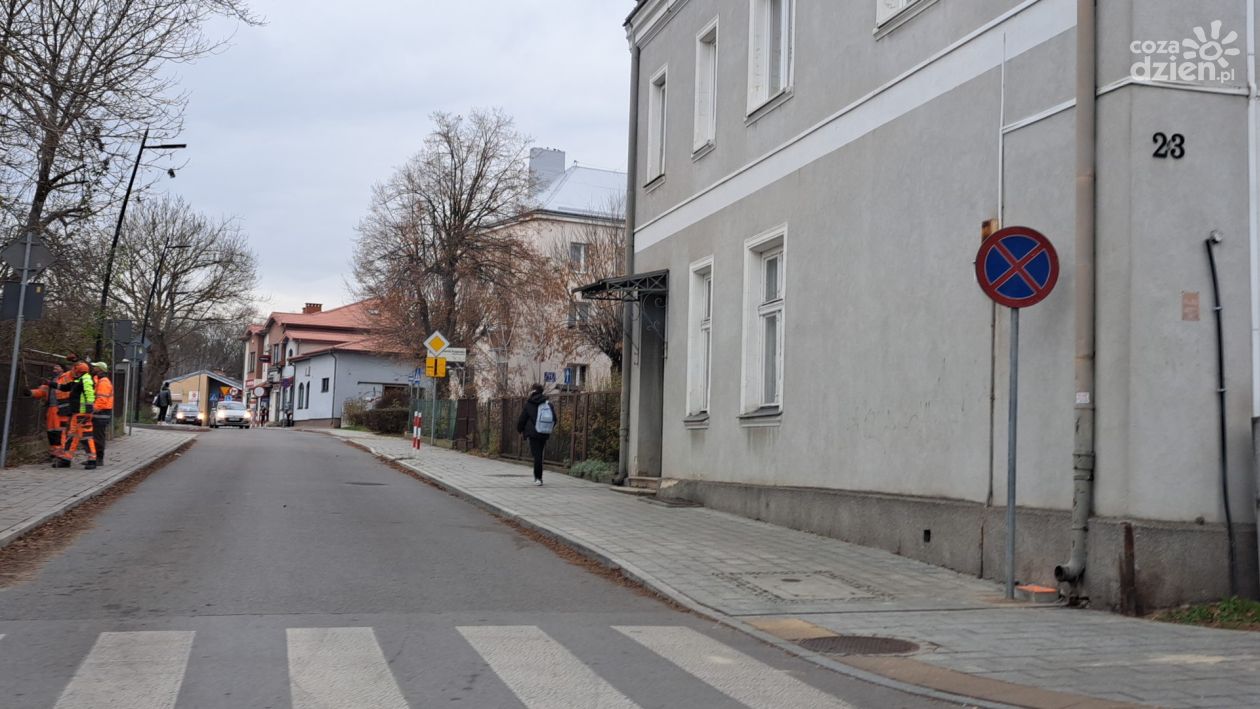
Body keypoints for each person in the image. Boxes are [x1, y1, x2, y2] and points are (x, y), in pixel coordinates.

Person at [54, 361, 96, 469]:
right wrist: (50, 383)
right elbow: (65, 387)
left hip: (82, 413)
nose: (72, 371)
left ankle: (92, 460)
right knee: (72, 436)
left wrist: (88, 411)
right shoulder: (79, 380)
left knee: (86, 437)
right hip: (77, 413)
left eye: (74, 369)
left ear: (78, 370)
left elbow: (89, 395)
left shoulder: (85, 380)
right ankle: (66, 459)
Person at [516, 384, 553, 486]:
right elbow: (554, 418)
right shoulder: (548, 403)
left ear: (533, 391)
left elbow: (522, 419)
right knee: (539, 453)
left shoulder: (529, 404)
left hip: (533, 433)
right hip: (544, 432)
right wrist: (548, 428)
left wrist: (519, 429)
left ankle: (538, 477)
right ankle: (538, 477)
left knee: (537, 455)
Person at [29, 364, 64, 460]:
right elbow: (42, 391)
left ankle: (60, 454)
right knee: (51, 432)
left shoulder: (65, 380)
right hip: (51, 409)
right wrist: (31, 392)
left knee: (59, 432)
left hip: (61, 409)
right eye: (54, 367)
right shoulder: (51, 381)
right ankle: (54, 453)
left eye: (57, 367)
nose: (55, 369)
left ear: (62, 369)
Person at [90, 362, 113, 466]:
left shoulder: (103, 382)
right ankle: (95, 458)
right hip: (101, 413)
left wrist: (93, 410)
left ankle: (99, 459)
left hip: (101, 413)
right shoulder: (101, 381)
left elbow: (102, 399)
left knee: (98, 437)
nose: (93, 368)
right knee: (96, 436)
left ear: (100, 369)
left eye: (95, 367)